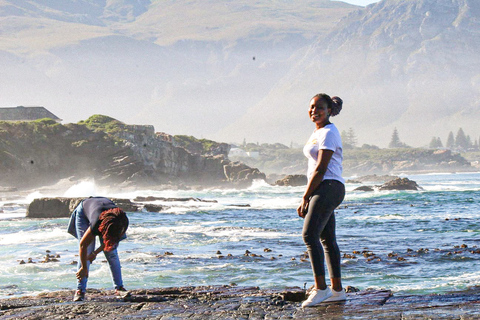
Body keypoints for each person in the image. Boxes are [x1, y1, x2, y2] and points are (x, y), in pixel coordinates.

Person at [297, 93, 346, 307]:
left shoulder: (329, 132)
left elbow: (321, 168)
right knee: (326, 239)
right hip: (326, 187)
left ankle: (321, 289)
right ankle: (337, 291)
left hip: (328, 186)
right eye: (311, 107)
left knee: (309, 235)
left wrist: (306, 196)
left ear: (329, 111)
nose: (314, 111)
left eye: (319, 108)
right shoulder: (318, 132)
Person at [67, 197, 129, 301]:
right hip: (84, 211)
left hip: (105, 211)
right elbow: (83, 245)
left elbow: (111, 242)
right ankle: (80, 290)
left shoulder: (122, 222)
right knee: (88, 250)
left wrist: (95, 253)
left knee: (112, 253)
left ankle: (119, 288)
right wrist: (84, 268)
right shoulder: (96, 224)